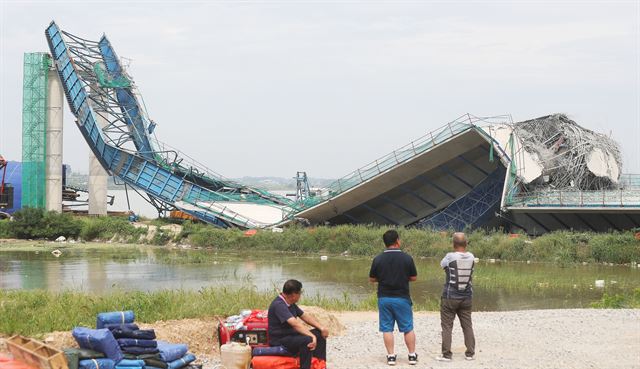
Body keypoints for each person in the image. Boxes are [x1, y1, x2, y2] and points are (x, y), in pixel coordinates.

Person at [369, 230, 418, 366]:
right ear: (397, 241)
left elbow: (372, 279)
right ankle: (412, 355)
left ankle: (391, 356)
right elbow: (413, 277)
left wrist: (383, 278)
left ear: (385, 243)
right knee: (407, 328)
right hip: (402, 297)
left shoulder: (378, 259)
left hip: (384, 298)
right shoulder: (407, 258)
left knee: (387, 328)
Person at [268, 279, 329, 369]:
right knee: (308, 340)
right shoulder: (279, 305)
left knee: (319, 334)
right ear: (293, 295)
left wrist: (321, 328)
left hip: (291, 336)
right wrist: (312, 336)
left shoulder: (290, 303)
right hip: (280, 339)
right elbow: (295, 324)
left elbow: (304, 316)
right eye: (300, 293)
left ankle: (319, 365)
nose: (300, 295)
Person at [436, 232, 476, 362]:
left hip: (450, 296)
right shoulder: (471, 256)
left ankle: (447, 354)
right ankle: (470, 353)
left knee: (447, 326)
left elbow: (442, 265)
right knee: (467, 325)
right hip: (467, 297)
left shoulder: (450, 256)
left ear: (453, 244)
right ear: (466, 244)